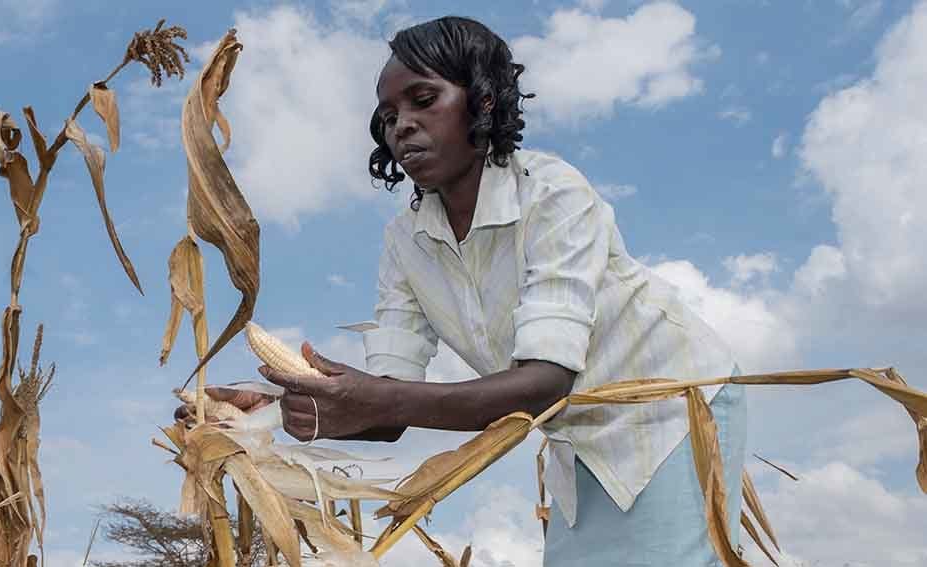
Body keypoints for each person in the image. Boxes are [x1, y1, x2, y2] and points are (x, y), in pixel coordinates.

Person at [187, 16, 746, 566]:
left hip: (670, 413)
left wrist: (375, 398)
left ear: (483, 101)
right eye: (389, 116)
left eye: (423, 100)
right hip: (578, 442)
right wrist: (270, 410)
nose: (402, 126)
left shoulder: (552, 194)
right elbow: (388, 408)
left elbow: (545, 383)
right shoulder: (405, 241)